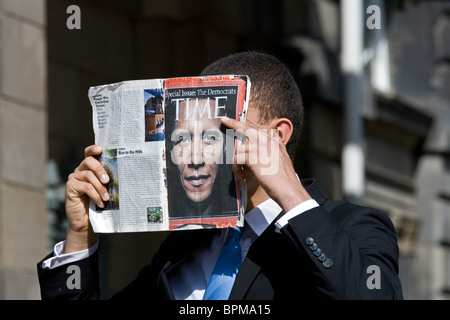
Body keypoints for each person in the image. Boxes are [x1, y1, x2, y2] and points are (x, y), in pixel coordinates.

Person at [37, 51, 404, 300]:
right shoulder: (182, 245)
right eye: (184, 138)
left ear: (277, 135)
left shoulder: (354, 226)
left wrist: (291, 194)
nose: (196, 155)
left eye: (218, 132)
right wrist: (79, 237)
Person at [166, 96, 238, 222]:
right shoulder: (174, 241)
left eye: (210, 138)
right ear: (170, 148)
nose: (196, 160)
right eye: (182, 139)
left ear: (227, 145)